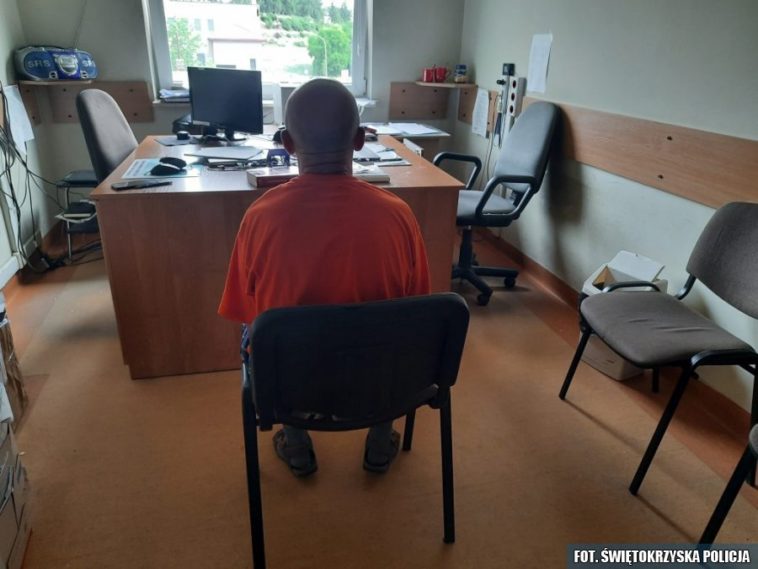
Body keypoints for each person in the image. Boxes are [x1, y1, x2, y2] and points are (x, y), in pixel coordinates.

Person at [218, 78, 431, 477]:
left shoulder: (259, 217)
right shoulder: (399, 215)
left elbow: (246, 312)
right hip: (380, 385)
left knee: (260, 330)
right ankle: (379, 442)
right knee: (398, 331)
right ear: (360, 140)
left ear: (287, 143)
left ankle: (296, 444)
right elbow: (417, 312)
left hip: (292, 385)